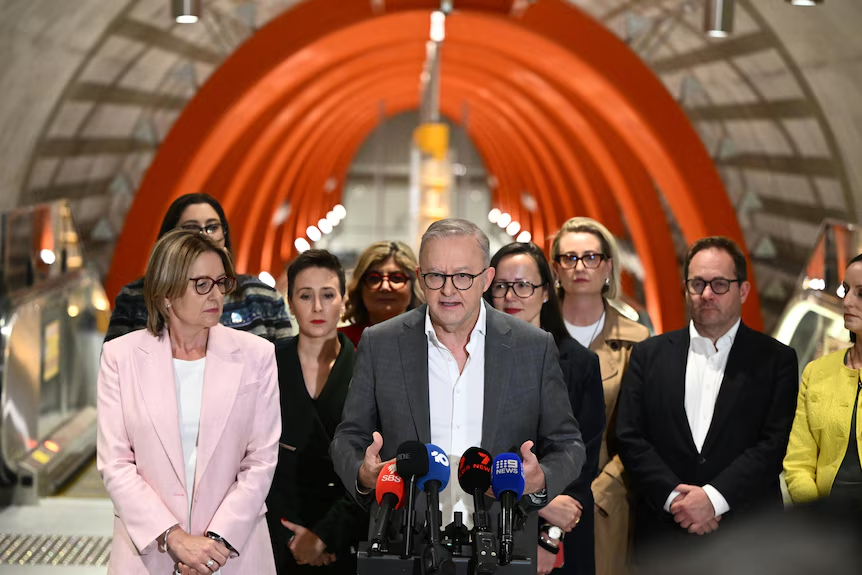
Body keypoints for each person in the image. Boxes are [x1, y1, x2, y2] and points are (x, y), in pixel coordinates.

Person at [331, 218, 585, 544]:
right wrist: (363, 474)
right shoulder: (381, 343)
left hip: (503, 541)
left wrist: (540, 480)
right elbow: (348, 437)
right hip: (404, 541)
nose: (448, 290)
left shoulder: (533, 347)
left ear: (486, 279)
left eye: (463, 276)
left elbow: (568, 444)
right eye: (436, 276)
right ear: (420, 278)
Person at [97, 229, 280, 574]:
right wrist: (175, 538)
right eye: (202, 284)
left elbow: (261, 459)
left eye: (221, 283)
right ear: (166, 293)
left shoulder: (257, 355)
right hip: (149, 551)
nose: (216, 295)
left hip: (234, 551)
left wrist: (216, 542)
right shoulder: (120, 357)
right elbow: (115, 463)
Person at [616, 236, 798, 562]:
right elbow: (630, 436)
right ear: (686, 289)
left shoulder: (776, 360)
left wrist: (713, 500)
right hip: (663, 538)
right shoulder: (648, 354)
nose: (707, 294)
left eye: (720, 284)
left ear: (743, 291)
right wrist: (676, 499)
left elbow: (774, 445)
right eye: (697, 284)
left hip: (748, 540)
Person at [485, 242, 605, 575]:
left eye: (523, 285)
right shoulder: (471, 357)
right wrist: (538, 503)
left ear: (546, 292)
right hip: (488, 517)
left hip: (558, 533)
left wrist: (550, 537)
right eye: (501, 286)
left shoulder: (579, 363)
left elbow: (582, 461)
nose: (511, 296)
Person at [550, 217, 649, 575]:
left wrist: (599, 492)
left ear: (608, 266)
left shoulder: (637, 341)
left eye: (591, 257)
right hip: (539, 494)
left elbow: (643, 431)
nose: (580, 267)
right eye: (569, 258)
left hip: (605, 501)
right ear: (555, 268)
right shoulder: (533, 333)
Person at [266, 250, 367, 573]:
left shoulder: (366, 368)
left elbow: (373, 465)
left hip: (347, 538)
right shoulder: (266, 364)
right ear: (290, 303)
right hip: (276, 533)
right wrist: (295, 539)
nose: (318, 307)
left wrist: (324, 537)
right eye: (305, 296)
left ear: (344, 300)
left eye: (328, 295)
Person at [105, 193, 291, 343]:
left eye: (212, 227)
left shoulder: (262, 297)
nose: (204, 236)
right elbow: (115, 369)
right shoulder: (135, 298)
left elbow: (287, 368)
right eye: (192, 228)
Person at [784, 253, 862, 511]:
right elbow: (798, 464)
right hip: (824, 522)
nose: (847, 301)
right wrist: (817, 519)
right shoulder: (816, 372)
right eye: (846, 290)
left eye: (861, 293)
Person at [339, 240, 424, 347]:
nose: (385, 287)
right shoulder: (337, 343)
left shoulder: (432, 341)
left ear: (413, 285)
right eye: (374, 278)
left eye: (396, 278)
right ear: (360, 287)